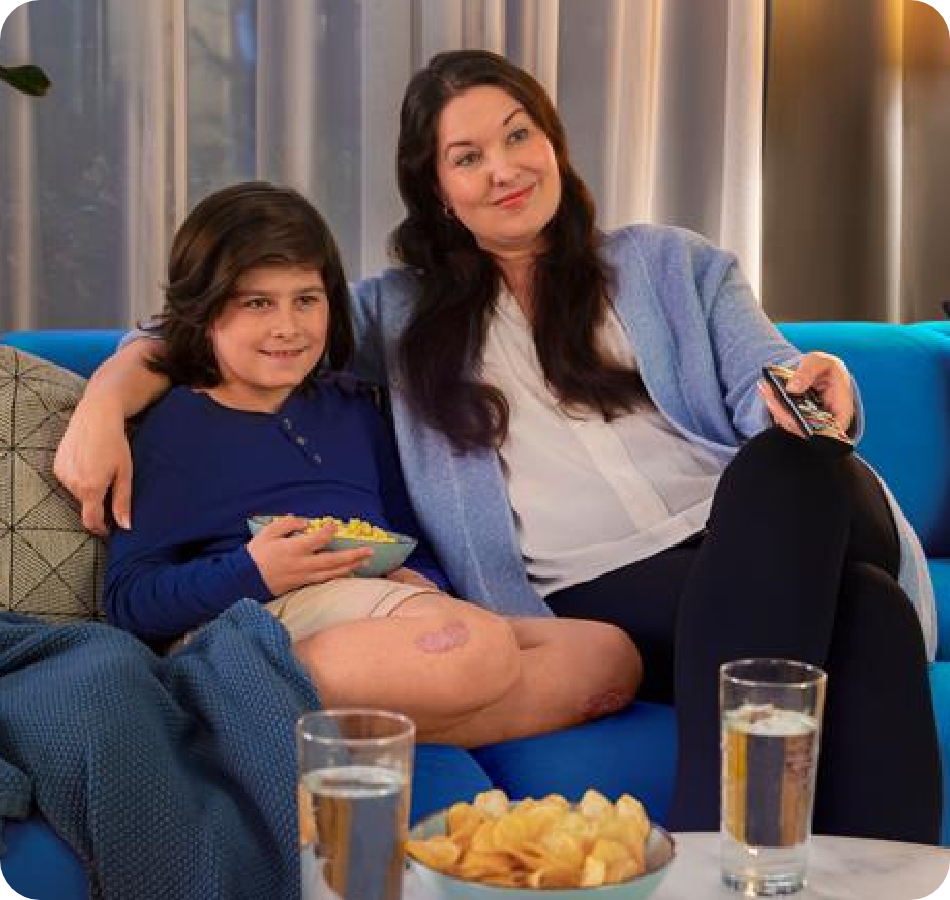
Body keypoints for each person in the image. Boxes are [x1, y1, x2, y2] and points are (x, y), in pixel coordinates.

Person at [55, 51, 941, 841]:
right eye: (467, 157)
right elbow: (212, 325)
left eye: (519, 137)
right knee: (868, 614)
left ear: (553, 141)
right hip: (606, 588)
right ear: (436, 189)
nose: (505, 169)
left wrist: (821, 383)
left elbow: (772, 380)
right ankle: (853, 869)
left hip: (759, 526)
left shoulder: (677, 264)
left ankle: (710, 840)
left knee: (791, 463)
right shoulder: (392, 317)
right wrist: (104, 399)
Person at [100, 180, 642, 750]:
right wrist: (254, 571)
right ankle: (238, 696)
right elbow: (130, 600)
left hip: (384, 616)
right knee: (474, 646)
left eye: (305, 299)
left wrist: (420, 579)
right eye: (257, 302)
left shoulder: (356, 408)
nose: (287, 326)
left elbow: (412, 535)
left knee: (606, 656)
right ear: (205, 312)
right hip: (258, 620)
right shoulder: (176, 426)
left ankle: (306, 726)